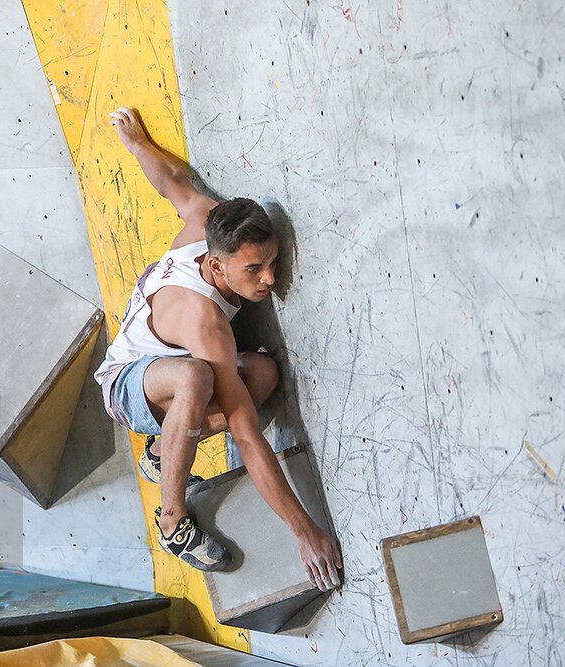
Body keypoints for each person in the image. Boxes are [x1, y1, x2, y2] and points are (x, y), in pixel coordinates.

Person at [93, 107, 342, 592]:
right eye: (253, 269)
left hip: (171, 367)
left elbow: (171, 182)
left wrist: (138, 144)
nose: (269, 278)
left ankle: (164, 454)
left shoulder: (209, 219)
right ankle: (172, 523)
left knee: (263, 375)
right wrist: (305, 532)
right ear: (216, 264)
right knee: (197, 378)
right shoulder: (205, 322)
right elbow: (249, 439)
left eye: (270, 261)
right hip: (124, 386)